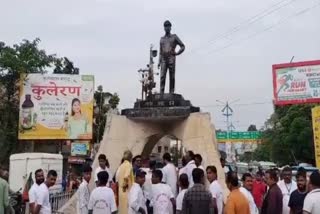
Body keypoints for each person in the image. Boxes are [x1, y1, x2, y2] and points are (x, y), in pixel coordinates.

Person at [158, 20, 185, 94]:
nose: (167, 28)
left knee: (172, 76)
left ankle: (171, 92)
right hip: (163, 58)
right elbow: (160, 51)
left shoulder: (174, 37)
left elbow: (183, 46)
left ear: (170, 27)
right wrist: (159, 61)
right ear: (164, 28)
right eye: (165, 26)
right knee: (162, 76)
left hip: (171, 58)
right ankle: (161, 92)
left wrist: (177, 53)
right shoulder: (162, 39)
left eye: (168, 26)